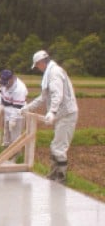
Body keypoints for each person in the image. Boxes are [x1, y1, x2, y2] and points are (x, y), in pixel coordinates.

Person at [21, 50, 78, 183]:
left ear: (41, 62)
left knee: (59, 148)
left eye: (37, 66)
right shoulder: (49, 73)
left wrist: (52, 111)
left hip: (67, 114)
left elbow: (57, 94)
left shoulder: (54, 73)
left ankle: (60, 179)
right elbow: (43, 97)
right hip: (61, 114)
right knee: (55, 146)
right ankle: (53, 176)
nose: (37, 69)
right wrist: (28, 107)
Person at [0, 69, 28, 147]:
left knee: (15, 135)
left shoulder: (19, 89)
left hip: (18, 113)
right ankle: (6, 148)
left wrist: (13, 119)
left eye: (6, 83)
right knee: (6, 132)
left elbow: (17, 107)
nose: (5, 85)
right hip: (7, 109)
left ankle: (15, 153)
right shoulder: (3, 82)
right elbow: (0, 93)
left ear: (12, 79)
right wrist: (0, 104)